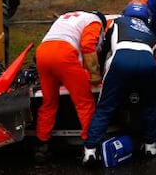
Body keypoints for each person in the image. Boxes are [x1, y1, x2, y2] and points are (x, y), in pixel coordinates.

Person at [83, 2, 156, 165]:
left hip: (121, 58)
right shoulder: (151, 31)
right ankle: (150, 145)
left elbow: (104, 49)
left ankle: (90, 150)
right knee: (150, 105)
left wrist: (99, 72)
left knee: (105, 107)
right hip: (147, 61)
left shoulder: (117, 22)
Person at [34, 10, 107, 163]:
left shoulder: (67, 17)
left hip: (43, 52)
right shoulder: (95, 21)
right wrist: (95, 75)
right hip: (64, 54)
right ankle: (90, 146)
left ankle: (42, 145)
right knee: (84, 103)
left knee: (48, 103)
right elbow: (88, 46)